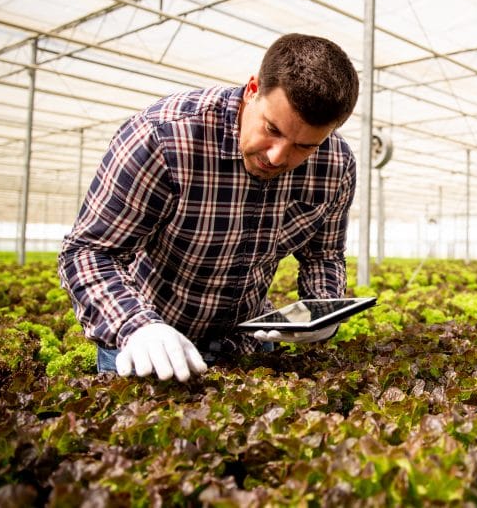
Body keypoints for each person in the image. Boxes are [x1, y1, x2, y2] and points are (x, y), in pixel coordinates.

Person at [58, 33, 359, 382]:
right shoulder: (162, 138)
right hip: (151, 346)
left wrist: (321, 313)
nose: (278, 156)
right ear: (252, 90)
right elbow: (88, 251)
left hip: (246, 345)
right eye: (271, 129)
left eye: (304, 146)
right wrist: (135, 326)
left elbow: (323, 256)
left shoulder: (336, 164)